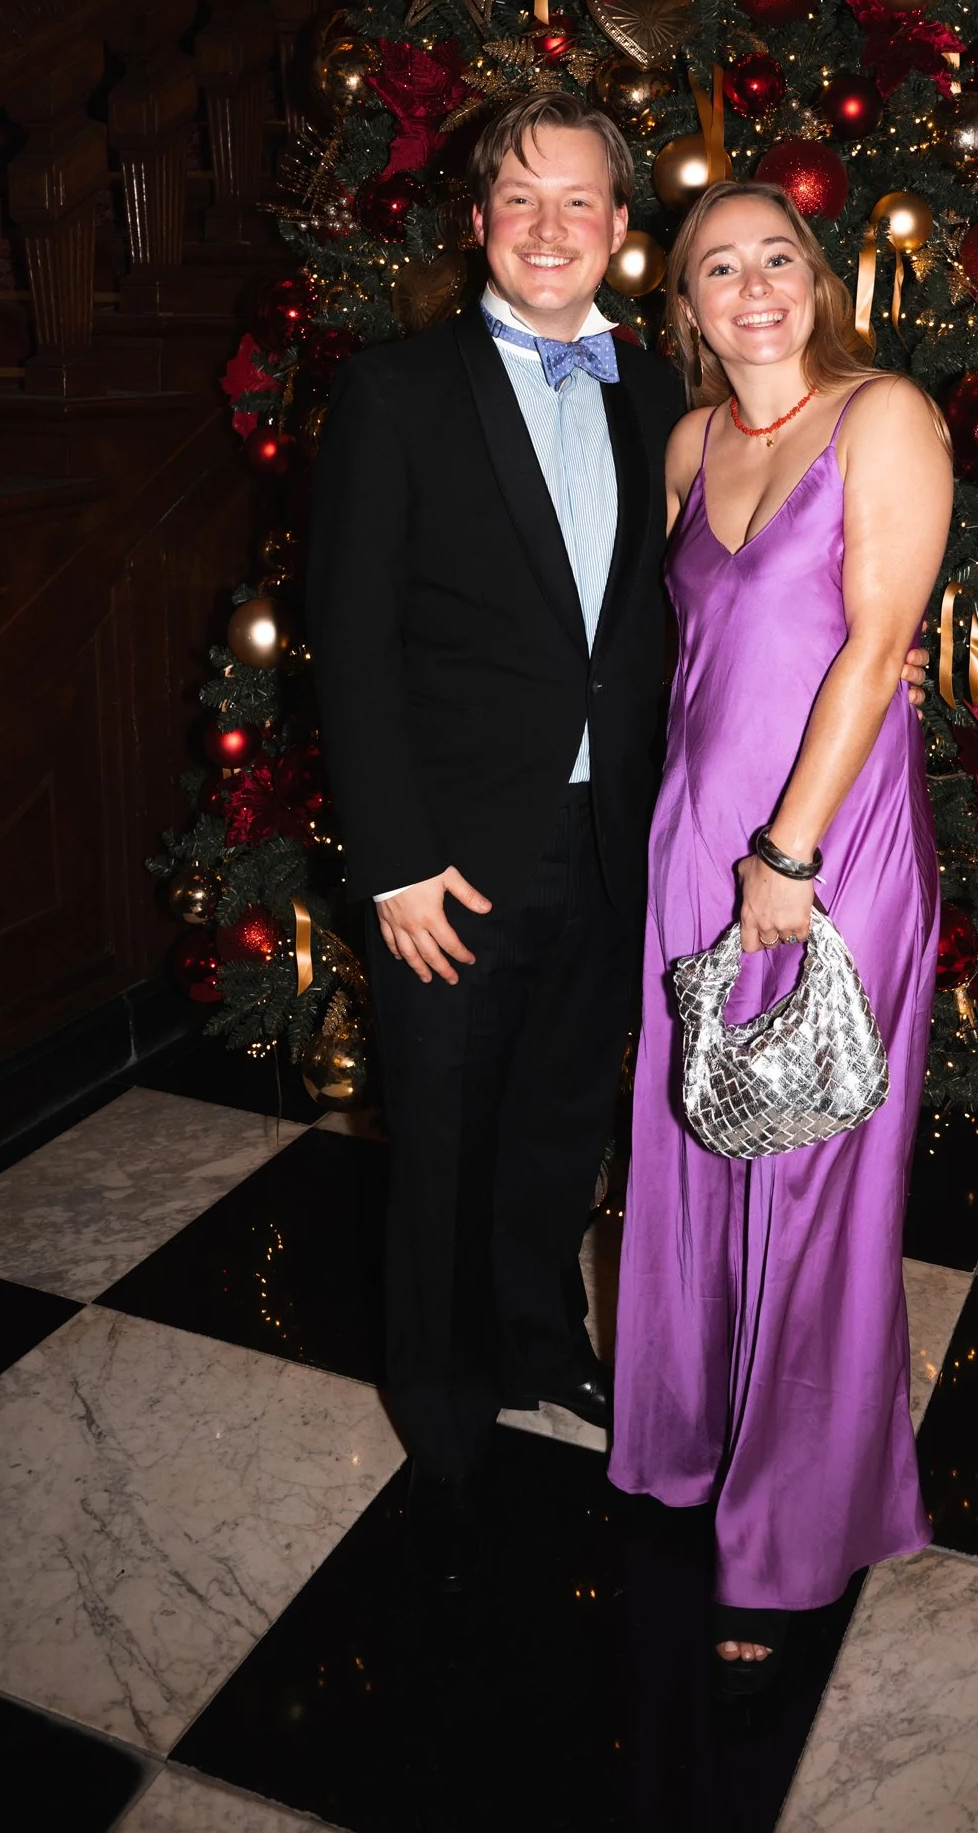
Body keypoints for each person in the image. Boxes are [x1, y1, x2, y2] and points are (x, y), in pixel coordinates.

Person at [309, 91, 684, 1583]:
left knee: (551, 1130)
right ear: (476, 220)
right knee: (447, 1137)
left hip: (617, 844)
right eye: (519, 200)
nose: (549, 229)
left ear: (618, 230)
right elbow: (349, 640)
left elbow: (695, 607)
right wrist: (392, 857)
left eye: (579, 202)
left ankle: (542, 1339)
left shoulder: (660, 391)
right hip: (451, 858)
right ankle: (443, 1391)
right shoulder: (397, 390)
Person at [607, 180, 954, 1689]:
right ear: (681, 304)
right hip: (696, 843)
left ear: (816, 282)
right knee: (691, 1152)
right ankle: (688, 1448)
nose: (752, 287)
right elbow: (692, 654)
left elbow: (878, 645)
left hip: (825, 849)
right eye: (716, 268)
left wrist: (789, 852)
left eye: (777, 260)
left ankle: (791, 1532)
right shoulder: (690, 443)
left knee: (807, 1173)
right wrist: (709, 844)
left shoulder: (882, 416)